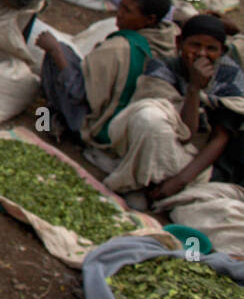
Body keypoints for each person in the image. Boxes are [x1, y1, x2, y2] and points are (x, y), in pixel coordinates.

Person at [102, 15, 244, 199]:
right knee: (149, 117)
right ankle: (142, 183)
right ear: (178, 43)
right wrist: (194, 88)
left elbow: (220, 138)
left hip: (201, 163)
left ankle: (159, 187)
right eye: (194, 45)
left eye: (211, 49)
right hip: (165, 145)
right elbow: (184, 132)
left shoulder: (230, 77)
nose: (202, 54)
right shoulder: (163, 67)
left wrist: (179, 181)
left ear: (222, 52)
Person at [37, 0, 174, 146]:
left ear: (150, 19)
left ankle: (51, 119)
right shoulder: (166, 42)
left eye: (127, 11)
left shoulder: (118, 48)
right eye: (120, 6)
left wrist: (55, 52)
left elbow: (78, 92)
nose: (119, 14)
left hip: (99, 124)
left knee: (59, 52)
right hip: (124, 122)